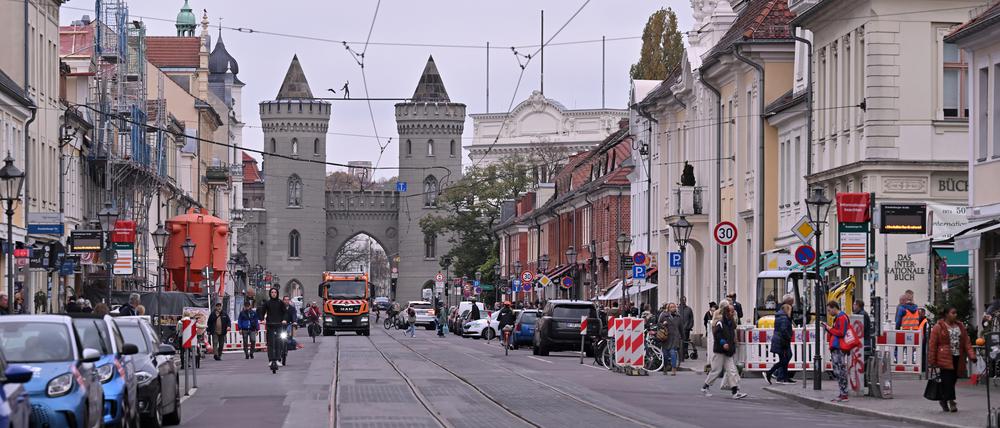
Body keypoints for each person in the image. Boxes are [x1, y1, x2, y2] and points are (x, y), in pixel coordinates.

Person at [928, 305, 977, 412]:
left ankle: (944, 400)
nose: (955, 315)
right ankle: (952, 401)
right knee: (948, 380)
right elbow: (932, 344)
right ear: (946, 314)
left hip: (958, 357)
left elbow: (966, 343)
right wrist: (932, 360)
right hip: (944, 357)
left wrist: (972, 355)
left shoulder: (960, 326)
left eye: (956, 313)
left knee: (953, 380)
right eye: (953, 313)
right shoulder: (938, 327)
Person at [700, 300, 747, 399]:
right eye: (731, 311)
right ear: (726, 312)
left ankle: (735, 392)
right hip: (720, 350)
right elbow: (717, 335)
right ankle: (705, 386)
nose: (733, 313)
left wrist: (732, 344)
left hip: (728, 350)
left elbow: (732, 334)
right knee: (716, 370)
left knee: (732, 371)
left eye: (733, 311)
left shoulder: (731, 323)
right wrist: (723, 343)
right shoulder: (720, 323)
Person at [822, 300, 852, 402]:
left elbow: (841, 332)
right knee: (838, 371)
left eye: (829, 310)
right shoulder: (839, 317)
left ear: (834, 308)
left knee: (840, 370)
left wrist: (829, 328)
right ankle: (842, 393)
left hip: (839, 347)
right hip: (837, 347)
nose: (829, 312)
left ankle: (844, 394)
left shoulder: (841, 317)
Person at [258, 288, 289, 370]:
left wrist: (284, 320)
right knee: (271, 343)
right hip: (270, 325)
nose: (273, 293)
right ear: (270, 293)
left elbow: (285, 312)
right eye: (272, 292)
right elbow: (262, 312)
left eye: (275, 292)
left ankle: (278, 359)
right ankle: (271, 360)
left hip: (279, 325)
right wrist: (262, 320)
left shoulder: (280, 303)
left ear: (277, 293)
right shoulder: (267, 303)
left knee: (279, 342)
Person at [765, 303, 794, 385]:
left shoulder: (780, 317)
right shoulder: (784, 318)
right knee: (784, 360)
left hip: (779, 340)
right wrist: (789, 336)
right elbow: (784, 330)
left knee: (785, 359)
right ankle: (770, 373)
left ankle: (784, 378)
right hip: (782, 341)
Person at [658, 303, 682, 375]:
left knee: (673, 353)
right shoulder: (663, 315)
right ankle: (665, 367)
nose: (673, 308)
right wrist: (663, 324)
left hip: (675, 337)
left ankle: (673, 369)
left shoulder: (678, 316)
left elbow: (681, 328)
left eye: (674, 307)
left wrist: (683, 337)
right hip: (666, 337)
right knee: (665, 355)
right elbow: (658, 324)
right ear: (668, 308)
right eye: (671, 307)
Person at [678, 296, 695, 361]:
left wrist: (689, 326)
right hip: (679, 329)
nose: (683, 301)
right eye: (682, 300)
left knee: (685, 342)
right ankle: (680, 353)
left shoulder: (689, 309)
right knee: (679, 341)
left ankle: (685, 353)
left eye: (685, 300)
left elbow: (691, 319)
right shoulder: (678, 309)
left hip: (686, 329)